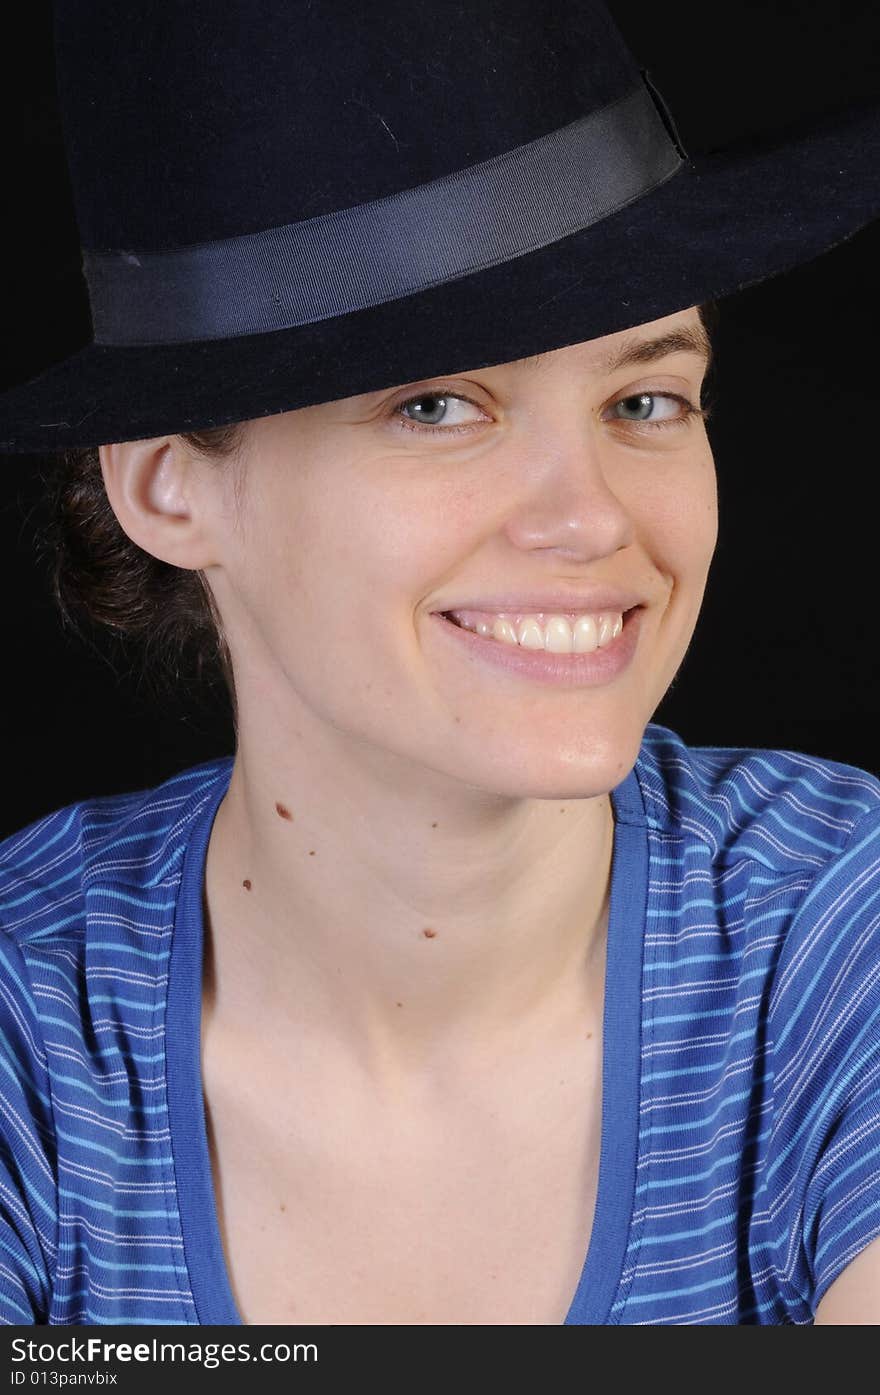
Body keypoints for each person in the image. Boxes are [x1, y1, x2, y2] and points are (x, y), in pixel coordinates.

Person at [0, 0, 878, 1327]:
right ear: (172, 489)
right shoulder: (28, 1022)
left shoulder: (840, 933)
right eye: (436, 406)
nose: (591, 518)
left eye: (643, 400)